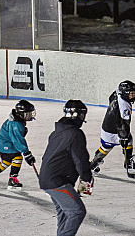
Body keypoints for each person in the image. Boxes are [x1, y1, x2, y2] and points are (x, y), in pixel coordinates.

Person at [38, 100, 93, 236]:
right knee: (77, 211)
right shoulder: (75, 134)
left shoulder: (56, 133)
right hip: (57, 182)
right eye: (82, 115)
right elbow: (80, 160)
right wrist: (86, 178)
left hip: (48, 179)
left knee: (64, 212)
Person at [0, 99, 37, 190]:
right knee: (17, 158)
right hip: (6, 144)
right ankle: (12, 180)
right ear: (23, 114)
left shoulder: (18, 120)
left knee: (6, 162)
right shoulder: (16, 124)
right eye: (29, 113)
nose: (31, 115)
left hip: (5, 144)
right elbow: (17, 140)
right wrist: (26, 153)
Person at [90, 80, 135, 178]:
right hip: (113, 130)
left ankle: (92, 165)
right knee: (126, 141)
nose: (133, 96)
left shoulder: (117, 93)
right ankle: (129, 164)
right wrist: (123, 137)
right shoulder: (124, 106)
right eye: (131, 94)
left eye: (134, 93)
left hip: (106, 126)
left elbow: (110, 98)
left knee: (106, 147)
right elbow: (125, 124)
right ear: (125, 93)